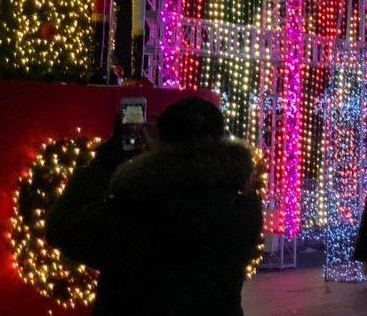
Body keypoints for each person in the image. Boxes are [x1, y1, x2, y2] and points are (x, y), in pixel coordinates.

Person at [46, 97, 263, 316]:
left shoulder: (134, 210)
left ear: (160, 141)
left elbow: (61, 226)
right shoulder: (244, 211)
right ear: (222, 141)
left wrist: (108, 159)